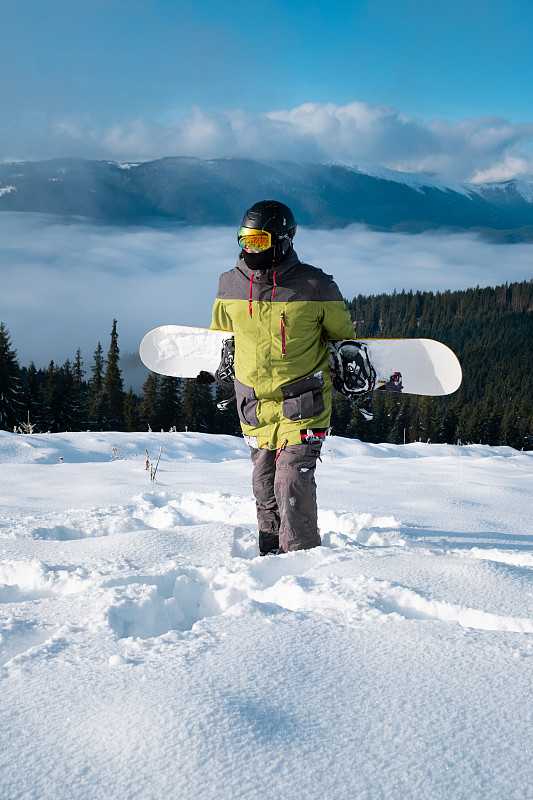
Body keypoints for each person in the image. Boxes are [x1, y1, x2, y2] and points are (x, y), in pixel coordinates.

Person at [202, 200, 355, 555]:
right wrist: (223, 361)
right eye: (244, 239)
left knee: (291, 482)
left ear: (283, 240)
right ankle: (270, 553)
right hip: (254, 405)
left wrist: (348, 365)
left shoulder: (315, 286)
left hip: (304, 404)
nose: (247, 248)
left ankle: (300, 560)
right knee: (264, 483)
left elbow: (342, 337)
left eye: (258, 241)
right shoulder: (230, 285)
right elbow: (222, 335)